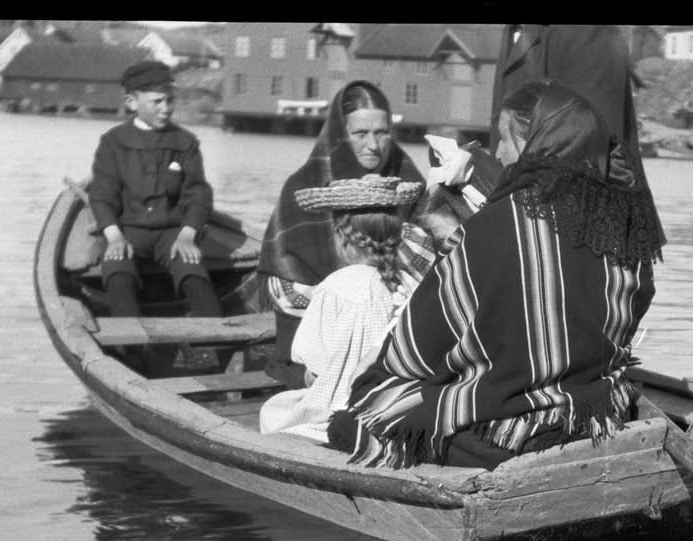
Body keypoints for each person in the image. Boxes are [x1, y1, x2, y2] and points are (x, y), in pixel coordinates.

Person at [330, 80, 661, 470]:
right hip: (595, 409)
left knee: (355, 416)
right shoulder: (626, 224)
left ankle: (494, 452)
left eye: (504, 139)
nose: (498, 153)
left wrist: (378, 374)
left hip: (512, 425)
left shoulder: (498, 223)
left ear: (535, 141)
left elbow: (422, 343)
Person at [257, 81, 425, 389]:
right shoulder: (304, 184)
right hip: (315, 331)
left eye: (382, 132)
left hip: (391, 330)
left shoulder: (407, 179)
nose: (373, 145)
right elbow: (283, 270)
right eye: (360, 133)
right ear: (339, 134)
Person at [256, 175, 422, 443]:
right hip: (389, 408)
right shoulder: (408, 286)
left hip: (336, 409)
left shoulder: (334, 288)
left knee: (272, 410)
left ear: (343, 237)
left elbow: (313, 367)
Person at [489, 24, 663, 247]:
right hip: (522, 217)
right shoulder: (514, 30)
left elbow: (586, 145)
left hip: (578, 233)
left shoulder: (588, 32)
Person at [87, 60, 223, 319]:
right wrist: (114, 236)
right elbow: (102, 196)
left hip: (171, 232)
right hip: (127, 230)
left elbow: (198, 195)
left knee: (194, 274)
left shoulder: (185, 142)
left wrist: (187, 235)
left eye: (170, 101)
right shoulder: (113, 142)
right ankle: (130, 337)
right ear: (132, 102)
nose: (166, 108)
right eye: (157, 102)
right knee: (118, 275)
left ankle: (217, 336)